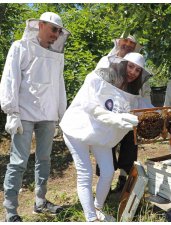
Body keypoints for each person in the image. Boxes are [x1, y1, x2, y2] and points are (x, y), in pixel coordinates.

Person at [59, 52, 152, 222]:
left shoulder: (133, 91)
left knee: (108, 172)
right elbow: (90, 107)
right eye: (130, 66)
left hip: (100, 135)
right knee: (85, 173)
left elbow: (145, 107)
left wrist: (163, 113)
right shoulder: (95, 78)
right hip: (77, 129)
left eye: (138, 70)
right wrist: (116, 119)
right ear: (122, 64)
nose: (133, 72)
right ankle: (91, 218)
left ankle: (97, 208)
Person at [0, 12, 70, 222]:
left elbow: (59, 86)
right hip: (24, 114)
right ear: (40, 25)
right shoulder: (20, 47)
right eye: (53, 29)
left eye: (59, 31)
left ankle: (40, 201)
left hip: (48, 116)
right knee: (18, 162)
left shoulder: (56, 55)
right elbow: (10, 79)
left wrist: (60, 116)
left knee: (45, 160)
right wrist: (11, 112)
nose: (56, 35)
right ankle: (11, 210)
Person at [95, 33, 152, 193]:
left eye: (131, 43)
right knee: (107, 147)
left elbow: (145, 93)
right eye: (125, 41)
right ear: (118, 42)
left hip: (130, 116)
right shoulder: (105, 61)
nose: (127, 44)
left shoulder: (138, 67)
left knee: (129, 148)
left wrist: (147, 111)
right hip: (108, 115)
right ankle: (104, 185)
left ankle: (123, 180)